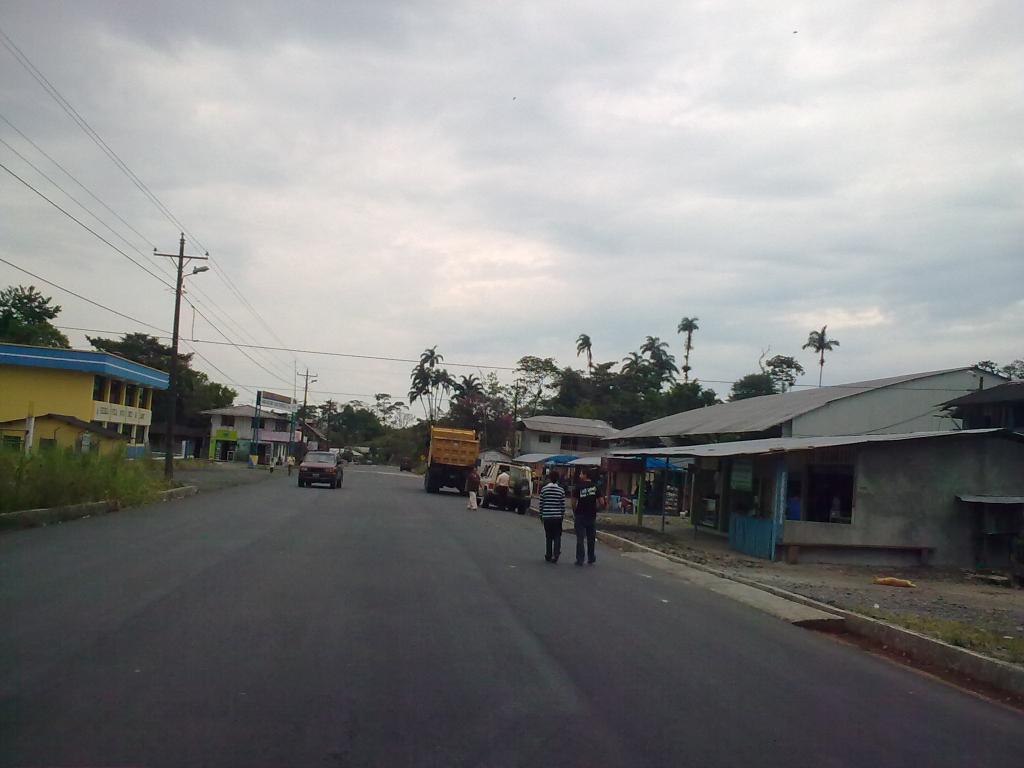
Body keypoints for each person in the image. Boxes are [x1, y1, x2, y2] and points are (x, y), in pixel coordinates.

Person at [573, 469, 599, 566]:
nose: (580, 475)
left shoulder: (578, 487)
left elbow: (573, 501)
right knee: (591, 538)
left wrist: (574, 511)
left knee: (580, 538)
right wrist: (596, 509)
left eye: (581, 473)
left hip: (580, 515)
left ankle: (580, 559)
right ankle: (591, 557)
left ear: (585, 475)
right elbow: (601, 502)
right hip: (591, 515)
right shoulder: (596, 487)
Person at [539, 471, 566, 563]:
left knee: (549, 536)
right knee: (557, 535)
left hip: (547, 516)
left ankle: (548, 554)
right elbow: (562, 506)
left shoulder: (544, 489)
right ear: (558, 479)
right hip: (557, 517)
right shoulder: (561, 490)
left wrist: (541, 515)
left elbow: (541, 504)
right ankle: (556, 553)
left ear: (549, 478)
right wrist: (562, 515)